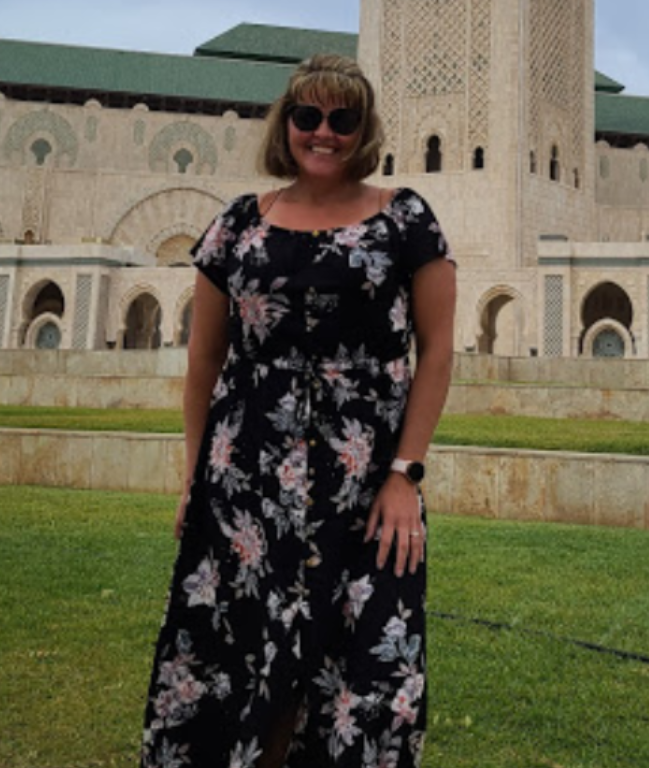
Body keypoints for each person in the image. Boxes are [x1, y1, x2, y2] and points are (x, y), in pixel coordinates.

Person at [140, 53, 456, 768]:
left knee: (368, 676)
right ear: (285, 124)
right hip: (246, 482)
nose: (324, 132)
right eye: (307, 116)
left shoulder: (405, 217)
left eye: (342, 119)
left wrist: (406, 473)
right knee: (245, 667)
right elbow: (203, 363)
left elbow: (435, 354)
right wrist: (195, 477)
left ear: (363, 129)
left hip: (367, 488)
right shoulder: (237, 225)